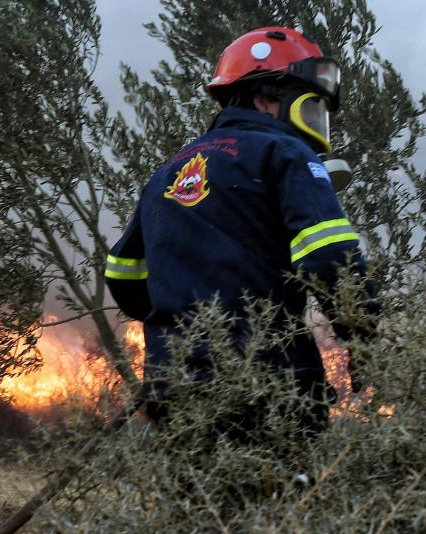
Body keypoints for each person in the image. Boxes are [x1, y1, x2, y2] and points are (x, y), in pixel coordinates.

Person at [105, 27, 378, 439]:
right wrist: (362, 336)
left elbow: (123, 273)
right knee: (283, 501)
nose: (316, 121)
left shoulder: (169, 171)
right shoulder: (286, 154)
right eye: (310, 105)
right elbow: (329, 257)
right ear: (265, 100)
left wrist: (181, 326)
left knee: (195, 501)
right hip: (269, 382)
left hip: (174, 386)